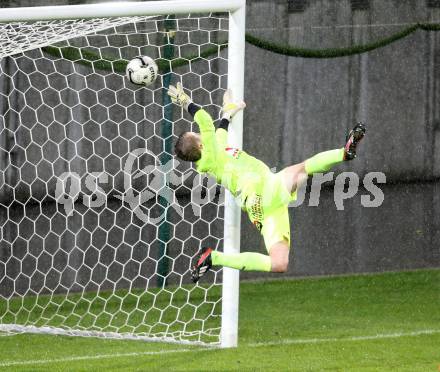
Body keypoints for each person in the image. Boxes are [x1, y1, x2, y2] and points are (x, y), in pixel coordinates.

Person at [167, 83, 366, 282]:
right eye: (198, 134)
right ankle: (343, 153)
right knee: (302, 170)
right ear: (201, 144)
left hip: (263, 204)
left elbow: (219, 132)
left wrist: (228, 113)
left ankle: (214, 257)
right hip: (260, 191)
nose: (202, 133)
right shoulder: (209, 155)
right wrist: (187, 103)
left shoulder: (213, 153)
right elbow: (205, 120)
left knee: (279, 263)